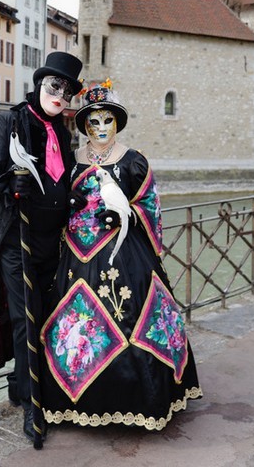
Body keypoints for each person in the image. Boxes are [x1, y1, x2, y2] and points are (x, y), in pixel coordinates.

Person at [40, 80, 202, 431]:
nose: (100, 128)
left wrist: (124, 213)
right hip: (75, 255)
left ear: (117, 122)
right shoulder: (71, 161)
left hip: (124, 253)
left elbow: (150, 205)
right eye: (93, 122)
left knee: (136, 320)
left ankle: (141, 401)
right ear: (84, 125)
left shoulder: (133, 161)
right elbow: (57, 200)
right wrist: (66, 204)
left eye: (106, 121)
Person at [0, 51, 83, 441]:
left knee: (51, 316)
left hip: (51, 244)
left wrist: (76, 199)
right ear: (40, 84)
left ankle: (35, 389)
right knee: (25, 321)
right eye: (56, 86)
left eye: (68, 91)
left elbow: (63, 179)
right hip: (15, 242)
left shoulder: (63, 133)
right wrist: (8, 186)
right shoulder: (8, 122)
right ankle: (31, 407)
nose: (61, 95)